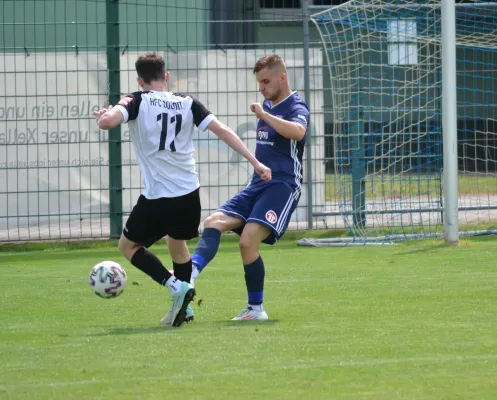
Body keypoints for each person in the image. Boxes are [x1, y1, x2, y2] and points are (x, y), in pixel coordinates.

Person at [93, 52, 271, 327]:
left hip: (158, 196)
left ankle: (175, 286)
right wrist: (255, 161)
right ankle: (185, 309)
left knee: (127, 246)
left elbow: (108, 122)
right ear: (166, 76)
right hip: (189, 195)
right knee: (177, 245)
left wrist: (107, 114)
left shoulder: (136, 100)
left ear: (140, 80)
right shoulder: (188, 103)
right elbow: (223, 130)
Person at [189, 54, 310, 321]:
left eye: (266, 81)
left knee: (247, 241)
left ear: (282, 77)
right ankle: (188, 276)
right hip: (258, 184)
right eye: (259, 83)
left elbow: (299, 133)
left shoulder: (295, 105)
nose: (262, 87)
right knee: (213, 221)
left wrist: (266, 114)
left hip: (283, 186)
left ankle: (256, 309)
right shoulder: (267, 103)